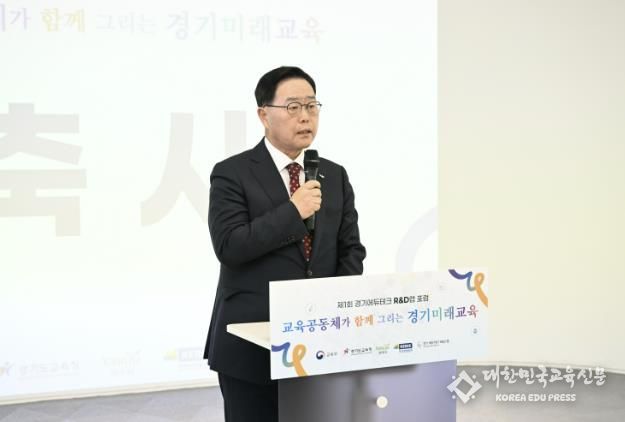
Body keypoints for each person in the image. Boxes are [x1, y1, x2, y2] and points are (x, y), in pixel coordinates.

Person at [203, 66, 366, 421]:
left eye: (312, 105)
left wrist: (334, 309)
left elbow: (351, 250)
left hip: (320, 345)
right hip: (251, 347)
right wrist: (293, 211)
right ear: (264, 115)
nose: (305, 116)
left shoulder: (334, 174)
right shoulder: (232, 173)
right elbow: (230, 246)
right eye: (293, 107)